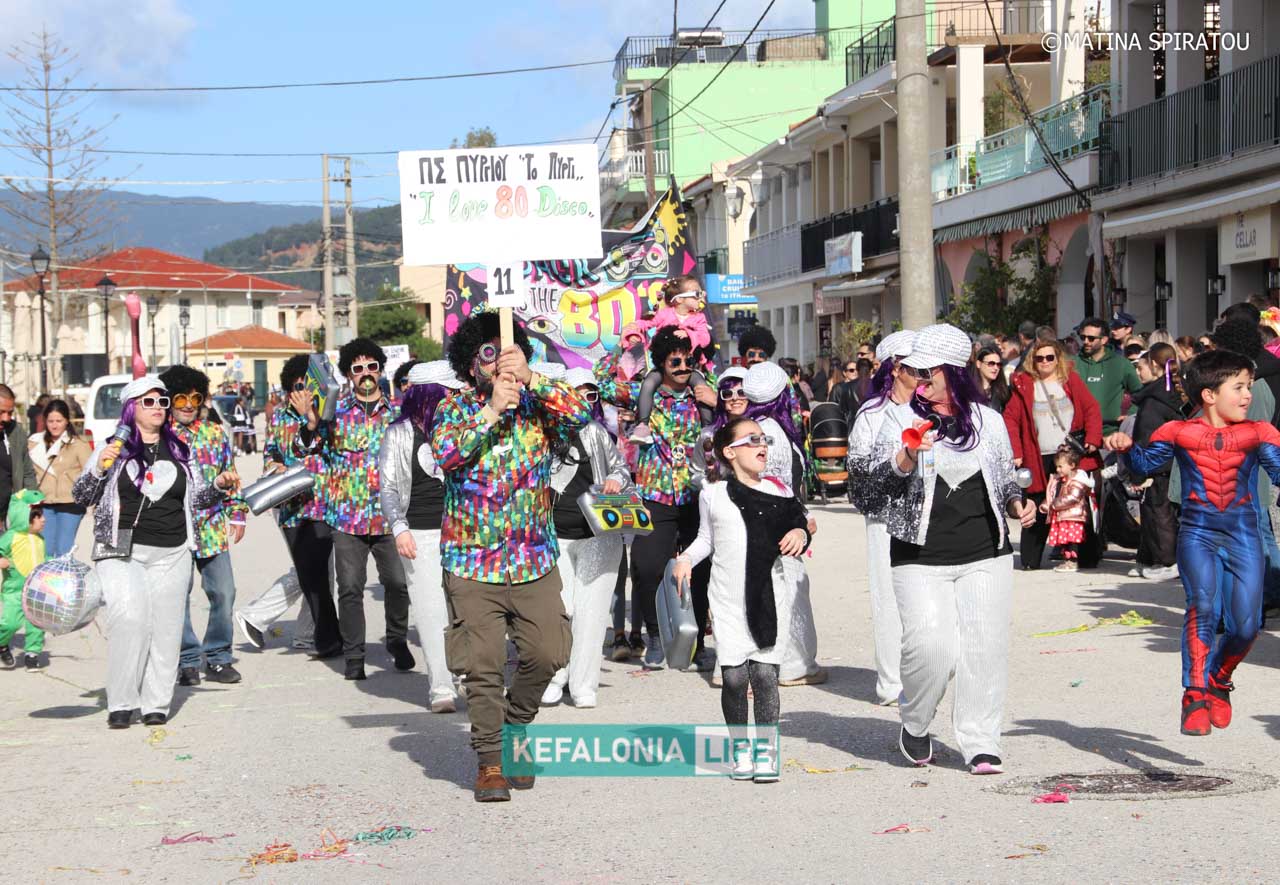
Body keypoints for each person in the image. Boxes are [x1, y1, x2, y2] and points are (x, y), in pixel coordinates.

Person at [851, 324, 1035, 774]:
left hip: (986, 554)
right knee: (931, 649)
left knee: (983, 649)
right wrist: (906, 457)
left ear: (951, 373)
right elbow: (866, 494)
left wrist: (1017, 503)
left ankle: (981, 740)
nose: (918, 380)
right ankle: (915, 722)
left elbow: (1004, 479)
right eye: (914, 371)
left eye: (926, 372)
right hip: (918, 557)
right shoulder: (896, 418)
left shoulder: (989, 421)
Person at [432, 311, 591, 802]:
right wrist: (490, 411)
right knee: (481, 666)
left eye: (504, 353)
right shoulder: (453, 408)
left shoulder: (538, 404)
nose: (497, 363)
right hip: (471, 561)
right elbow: (446, 454)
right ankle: (491, 761)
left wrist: (532, 378)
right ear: (470, 365)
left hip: (532, 559)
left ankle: (515, 724)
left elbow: (581, 415)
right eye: (487, 356)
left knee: (548, 652)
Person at [1106, 350, 1280, 736]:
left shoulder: (1259, 432)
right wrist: (1126, 448)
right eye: (1239, 387)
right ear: (1209, 395)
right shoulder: (1177, 432)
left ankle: (1220, 676)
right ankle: (1194, 694)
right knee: (1202, 607)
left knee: (1247, 625)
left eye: (1249, 387)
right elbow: (1143, 467)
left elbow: (1278, 470)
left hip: (1244, 534)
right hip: (1198, 533)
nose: (1248, 395)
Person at [72, 376, 238, 729]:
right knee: (130, 620)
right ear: (131, 408)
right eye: (149, 402)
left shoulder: (179, 450)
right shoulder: (110, 449)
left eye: (163, 402)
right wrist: (99, 468)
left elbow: (197, 499)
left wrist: (218, 486)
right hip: (120, 551)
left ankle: (156, 704)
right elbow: (82, 496)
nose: (159, 408)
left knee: (166, 628)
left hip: (172, 551)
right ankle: (121, 701)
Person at [674, 417, 811, 783]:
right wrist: (685, 559)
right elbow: (706, 539)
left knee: (765, 675)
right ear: (729, 452)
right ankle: (739, 747)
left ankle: (766, 749)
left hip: (769, 597)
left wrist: (800, 533)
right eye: (752, 440)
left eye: (764, 439)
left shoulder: (779, 490)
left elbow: (801, 522)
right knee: (734, 678)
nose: (762, 445)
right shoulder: (712, 493)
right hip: (726, 599)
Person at [597, 326, 716, 671]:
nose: (683, 367)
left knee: (700, 573)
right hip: (656, 496)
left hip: (696, 496)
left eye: (688, 360)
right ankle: (654, 635)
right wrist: (625, 347)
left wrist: (713, 397)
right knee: (647, 568)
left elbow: (737, 405)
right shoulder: (643, 392)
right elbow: (602, 383)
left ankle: (697, 643)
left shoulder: (702, 391)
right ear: (661, 363)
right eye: (675, 361)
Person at [296, 338, 410, 682]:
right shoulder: (334, 414)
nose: (365, 373)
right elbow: (306, 448)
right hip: (347, 518)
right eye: (358, 368)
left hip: (390, 517)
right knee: (349, 589)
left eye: (371, 366)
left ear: (380, 370)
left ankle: (396, 639)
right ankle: (354, 656)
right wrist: (311, 424)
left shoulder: (399, 413)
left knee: (398, 584)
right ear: (348, 375)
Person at [379, 360, 466, 714]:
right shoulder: (398, 433)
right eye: (449, 393)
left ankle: (468, 675)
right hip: (419, 534)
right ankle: (441, 687)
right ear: (431, 395)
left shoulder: (462, 428)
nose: (455, 398)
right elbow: (387, 487)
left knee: (467, 608)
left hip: (463, 532)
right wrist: (399, 527)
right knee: (431, 611)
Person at [541, 366, 631, 709]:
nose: (584, 400)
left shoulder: (597, 432)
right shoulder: (543, 431)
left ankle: (583, 683)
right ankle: (555, 676)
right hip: (554, 535)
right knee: (559, 609)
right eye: (576, 393)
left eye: (591, 394)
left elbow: (621, 468)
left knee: (592, 614)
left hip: (598, 535)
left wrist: (617, 480)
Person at [243, 353, 340, 658]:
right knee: (309, 574)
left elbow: (324, 447)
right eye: (297, 387)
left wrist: (311, 419)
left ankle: (324, 637)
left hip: (323, 503)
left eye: (307, 387)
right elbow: (271, 452)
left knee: (319, 573)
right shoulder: (279, 418)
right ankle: (319, 636)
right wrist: (275, 466)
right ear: (288, 390)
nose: (303, 393)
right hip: (290, 507)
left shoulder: (328, 416)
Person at [158, 366, 248, 687]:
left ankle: (219, 656)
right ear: (169, 400)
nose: (188, 405)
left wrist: (237, 512)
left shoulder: (214, 433)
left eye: (195, 398)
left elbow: (230, 472)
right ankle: (186, 660)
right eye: (180, 398)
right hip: (174, 530)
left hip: (211, 527)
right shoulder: (159, 436)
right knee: (177, 597)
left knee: (224, 591)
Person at [847, 328, 916, 706]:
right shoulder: (872, 414)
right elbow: (858, 474)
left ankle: (922, 671)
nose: (923, 373)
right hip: (885, 517)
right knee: (888, 598)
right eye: (914, 366)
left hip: (926, 514)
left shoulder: (931, 409)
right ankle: (891, 682)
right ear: (895, 368)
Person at [742, 361, 821, 687]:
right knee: (790, 592)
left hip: (757, 521)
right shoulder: (772, 432)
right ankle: (794, 665)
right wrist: (800, 519)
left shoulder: (748, 430)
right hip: (779, 525)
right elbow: (781, 484)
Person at [1004, 337, 1103, 570]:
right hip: (1039, 455)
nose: (1045, 362)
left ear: (1057, 358)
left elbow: (1091, 408)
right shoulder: (1024, 384)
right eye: (1040, 358)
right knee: (1039, 503)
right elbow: (1010, 419)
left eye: (1050, 357)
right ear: (1033, 360)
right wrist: (1016, 451)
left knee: (1079, 505)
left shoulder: (1071, 380)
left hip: (1070, 455)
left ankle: (1086, 556)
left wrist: (1092, 438)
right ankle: (1031, 559)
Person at [625, 275, 713, 443]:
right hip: (662, 367)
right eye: (697, 294)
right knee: (648, 383)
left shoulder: (699, 318)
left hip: (692, 368)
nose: (701, 297)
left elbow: (705, 338)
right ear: (679, 299)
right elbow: (647, 323)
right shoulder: (665, 314)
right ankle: (642, 425)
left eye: (701, 293)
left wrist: (689, 334)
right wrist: (633, 330)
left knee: (701, 386)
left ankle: (708, 429)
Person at [1127, 343, 1184, 581]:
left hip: (1158, 466)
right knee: (1151, 513)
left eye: (1140, 367)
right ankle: (1148, 558)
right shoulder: (1170, 394)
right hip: (1169, 465)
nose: (1137, 372)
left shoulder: (1154, 401)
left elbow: (1145, 437)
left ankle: (1168, 562)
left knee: (1159, 515)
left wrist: (1139, 472)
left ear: (1153, 365)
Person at [28, 400, 91, 558]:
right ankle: (47, 575)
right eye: (51, 421)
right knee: (45, 550)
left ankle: (63, 574)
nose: (54, 425)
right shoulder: (34, 443)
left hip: (70, 504)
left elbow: (90, 473)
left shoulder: (78, 444)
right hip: (44, 503)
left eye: (59, 421)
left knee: (63, 550)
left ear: (67, 421)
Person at [0, 490, 47, 669]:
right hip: (14, 589)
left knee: (36, 622)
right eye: (38, 516)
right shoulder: (10, 537)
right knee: (10, 623)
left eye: (42, 516)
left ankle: (32, 654)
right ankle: (2, 644)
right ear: (24, 517)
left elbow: (44, 559)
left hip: (36, 590)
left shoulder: (40, 539)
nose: (43, 520)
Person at [1073, 317, 1141, 436]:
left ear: (1104, 340)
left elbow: (1140, 393)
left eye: (1091, 338)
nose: (1086, 341)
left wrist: (1131, 413)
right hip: (1078, 433)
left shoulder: (1121, 364)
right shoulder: (1072, 364)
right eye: (1083, 337)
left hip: (1110, 432)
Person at [1040, 445, 1094, 573]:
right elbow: (1052, 493)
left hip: (1073, 516)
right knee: (1065, 540)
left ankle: (1072, 562)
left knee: (1072, 541)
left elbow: (1073, 497)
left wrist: (1054, 504)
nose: (1057, 469)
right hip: (1064, 516)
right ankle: (1067, 560)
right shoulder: (1060, 480)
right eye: (1057, 466)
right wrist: (1046, 504)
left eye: (1060, 466)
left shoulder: (1077, 481)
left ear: (1072, 465)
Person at [0, 385, 36, 530]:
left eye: (10, 413)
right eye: (1, 412)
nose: (6, 418)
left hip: (8, 517)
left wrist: (31, 502)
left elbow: (27, 472)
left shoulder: (16, 432)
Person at [971, 345, 1011, 413]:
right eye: (991, 363)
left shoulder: (1005, 392)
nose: (996, 368)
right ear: (978, 364)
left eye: (998, 364)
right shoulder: (968, 390)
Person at [829, 358, 863, 426]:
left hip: (859, 423)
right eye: (851, 370)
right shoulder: (838, 388)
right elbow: (832, 407)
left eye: (857, 369)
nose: (855, 372)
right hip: (844, 423)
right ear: (844, 373)